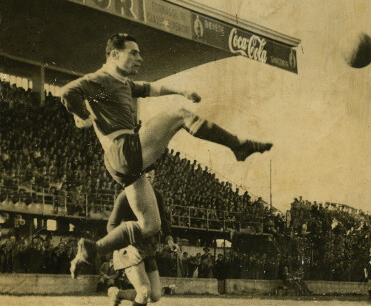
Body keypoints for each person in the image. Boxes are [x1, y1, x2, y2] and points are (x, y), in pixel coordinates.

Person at [60, 33, 273, 277]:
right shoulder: (101, 78)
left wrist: (181, 90)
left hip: (123, 162)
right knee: (181, 115)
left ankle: (92, 249)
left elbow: (152, 88)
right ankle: (237, 145)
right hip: (123, 149)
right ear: (114, 54)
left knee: (152, 225)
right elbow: (67, 92)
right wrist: (84, 116)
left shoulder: (123, 82)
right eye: (133, 52)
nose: (140, 58)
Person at [107, 169, 177, 306]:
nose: (149, 174)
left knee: (155, 295)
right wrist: (126, 246)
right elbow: (111, 226)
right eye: (145, 171)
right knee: (144, 291)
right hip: (128, 248)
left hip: (148, 248)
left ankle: (117, 294)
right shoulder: (125, 195)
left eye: (152, 171)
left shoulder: (157, 196)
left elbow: (162, 221)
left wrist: (169, 240)